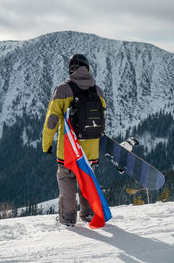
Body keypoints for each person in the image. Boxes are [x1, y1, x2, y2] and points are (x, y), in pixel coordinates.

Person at [42, 54, 106, 226]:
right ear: (88, 68)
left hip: (69, 151)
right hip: (91, 152)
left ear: (71, 69)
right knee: (87, 182)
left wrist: (46, 144)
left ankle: (68, 219)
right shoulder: (97, 91)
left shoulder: (63, 89)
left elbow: (51, 121)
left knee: (67, 184)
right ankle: (88, 215)